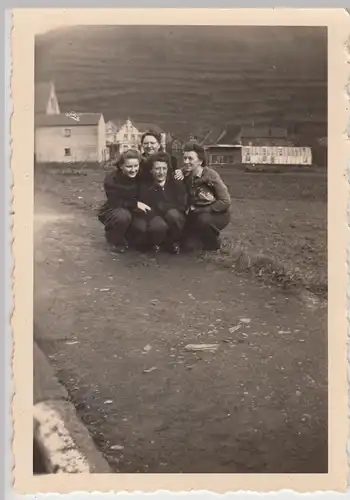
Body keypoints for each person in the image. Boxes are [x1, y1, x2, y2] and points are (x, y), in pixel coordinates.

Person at [98, 149, 151, 252]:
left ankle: (127, 237)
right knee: (123, 217)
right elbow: (115, 200)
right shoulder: (112, 179)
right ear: (121, 166)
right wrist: (135, 203)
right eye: (129, 166)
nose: (133, 170)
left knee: (141, 227)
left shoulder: (141, 176)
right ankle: (115, 240)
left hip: (134, 210)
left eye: (136, 166)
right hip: (116, 208)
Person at [135, 151, 187, 254]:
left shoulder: (176, 183)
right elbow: (147, 207)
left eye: (164, 169)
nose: (161, 172)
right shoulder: (146, 186)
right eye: (157, 169)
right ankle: (156, 243)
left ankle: (175, 242)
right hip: (155, 216)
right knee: (158, 225)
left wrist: (162, 207)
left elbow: (181, 204)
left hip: (174, 216)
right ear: (151, 170)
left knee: (173, 215)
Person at [182, 142, 231, 251]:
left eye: (190, 159)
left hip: (217, 213)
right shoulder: (186, 174)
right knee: (187, 246)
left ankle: (213, 244)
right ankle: (199, 240)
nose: (186, 162)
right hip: (196, 213)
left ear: (200, 161)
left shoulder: (211, 176)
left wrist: (204, 210)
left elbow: (225, 201)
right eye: (184, 158)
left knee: (203, 220)